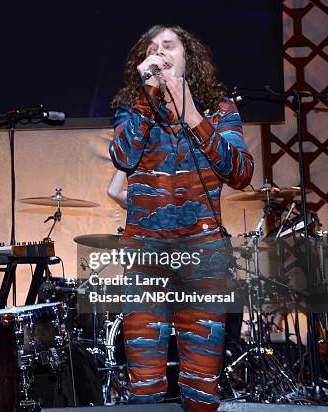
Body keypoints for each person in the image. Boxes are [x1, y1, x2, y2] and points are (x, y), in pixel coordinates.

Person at [109, 25, 253, 411]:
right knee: (145, 386)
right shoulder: (132, 108)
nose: (159, 54)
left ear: (188, 57)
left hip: (203, 253)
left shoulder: (220, 109)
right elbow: (122, 157)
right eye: (152, 49)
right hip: (146, 256)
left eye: (168, 46)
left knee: (202, 386)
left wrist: (191, 113)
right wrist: (147, 96)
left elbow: (240, 171)